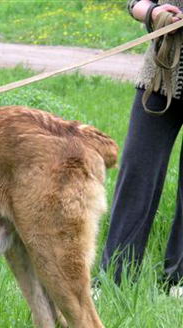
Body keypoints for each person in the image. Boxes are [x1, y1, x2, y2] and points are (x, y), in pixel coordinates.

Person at [101, 0, 183, 296]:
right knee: (136, 175)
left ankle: (178, 283)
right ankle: (114, 279)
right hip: (159, 77)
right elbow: (136, 3)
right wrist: (154, 13)